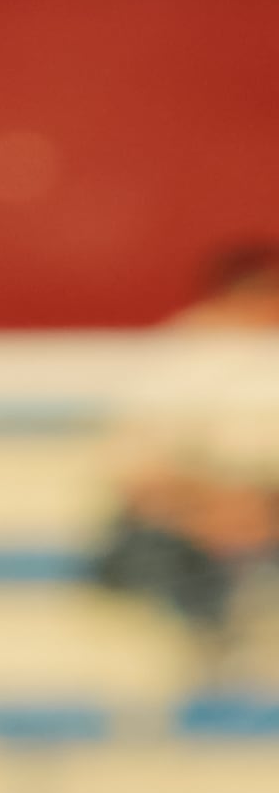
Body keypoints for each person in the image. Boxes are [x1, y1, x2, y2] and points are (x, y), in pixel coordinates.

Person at [93, 243, 279, 667]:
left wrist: (258, 510)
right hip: (188, 522)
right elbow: (134, 469)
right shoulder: (176, 360)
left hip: (268, 515)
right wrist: (208, 510)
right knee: (148, 547)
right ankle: (213, 653)